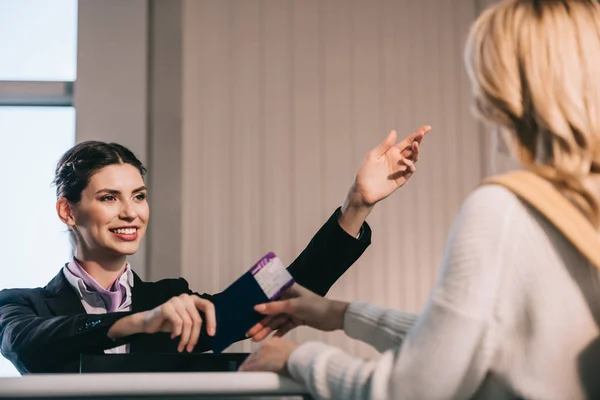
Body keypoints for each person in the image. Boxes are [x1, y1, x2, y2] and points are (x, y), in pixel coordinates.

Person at [239, 1, 600, 399]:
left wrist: (297, 358)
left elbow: (411, 389)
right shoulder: (583, 207)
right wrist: (340, 314)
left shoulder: (503, 213)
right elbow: (470, 343)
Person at [0, 126, 429, 374]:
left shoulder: (174, 300)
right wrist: (139, 323)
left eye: (139, 195)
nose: (131, 213)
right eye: (109, 198)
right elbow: (26, 343)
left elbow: (281, 295)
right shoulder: (23, 306)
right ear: (67, 211)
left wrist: (357, 204)